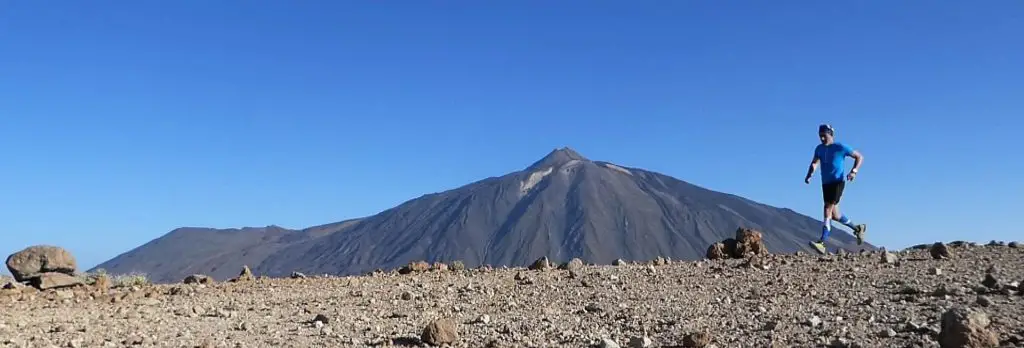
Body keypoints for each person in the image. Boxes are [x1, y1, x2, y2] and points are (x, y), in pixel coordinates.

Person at [804, 123, 866, 254]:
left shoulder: (840, 147)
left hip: (837, 182)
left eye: (824, 136)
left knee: (827, 208)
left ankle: (822, 242)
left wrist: (854, 171)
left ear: (830, 134)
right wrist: (810, 174)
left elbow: (859, 157)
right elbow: (815, 162)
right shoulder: (819, 149)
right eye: (820, 136)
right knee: (835, 215)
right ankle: (857, 228)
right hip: (825, 183)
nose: (821, 139)